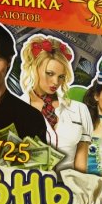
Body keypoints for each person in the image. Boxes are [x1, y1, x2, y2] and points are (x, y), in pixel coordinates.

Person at [19, 35, 92, 172]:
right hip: (29, 182)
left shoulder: (79, 110)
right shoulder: (15, 109)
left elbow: (81, 166)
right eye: (50, 73)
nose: (55, 82)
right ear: (34, 69)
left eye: (61, 76)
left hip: (67, 183)